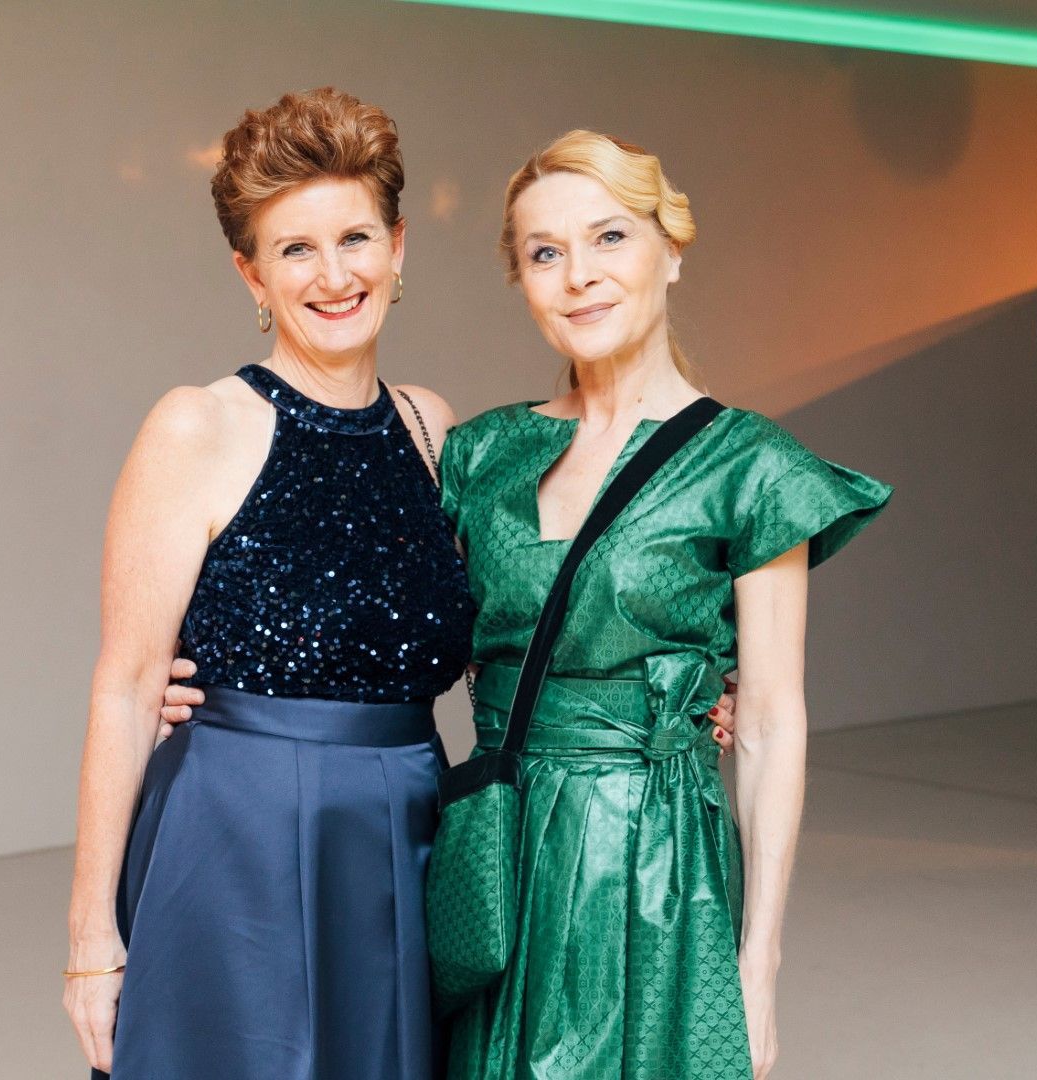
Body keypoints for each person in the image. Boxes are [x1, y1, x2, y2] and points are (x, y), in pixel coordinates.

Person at [67, 86, 744, 1079]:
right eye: (295, 249)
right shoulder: (198, 426)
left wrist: (682, 683)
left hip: (407, 832)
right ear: (251, 273)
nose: (334, 274)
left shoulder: (434, 429)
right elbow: (126, 689)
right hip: (235, 835)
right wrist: (92, 942)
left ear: (398, 248)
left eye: (355, 238)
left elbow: (518, 619)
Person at [436, 131, 894, 1080]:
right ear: (522, 279)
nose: (579, 277)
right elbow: (402, 640)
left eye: (610, 237)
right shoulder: (479, 455)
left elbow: (769, 720)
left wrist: (759, 967)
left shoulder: (749, 465)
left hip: (658, 868)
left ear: (672, 250)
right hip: (498, 854)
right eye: (545, 253)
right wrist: (203, 688)